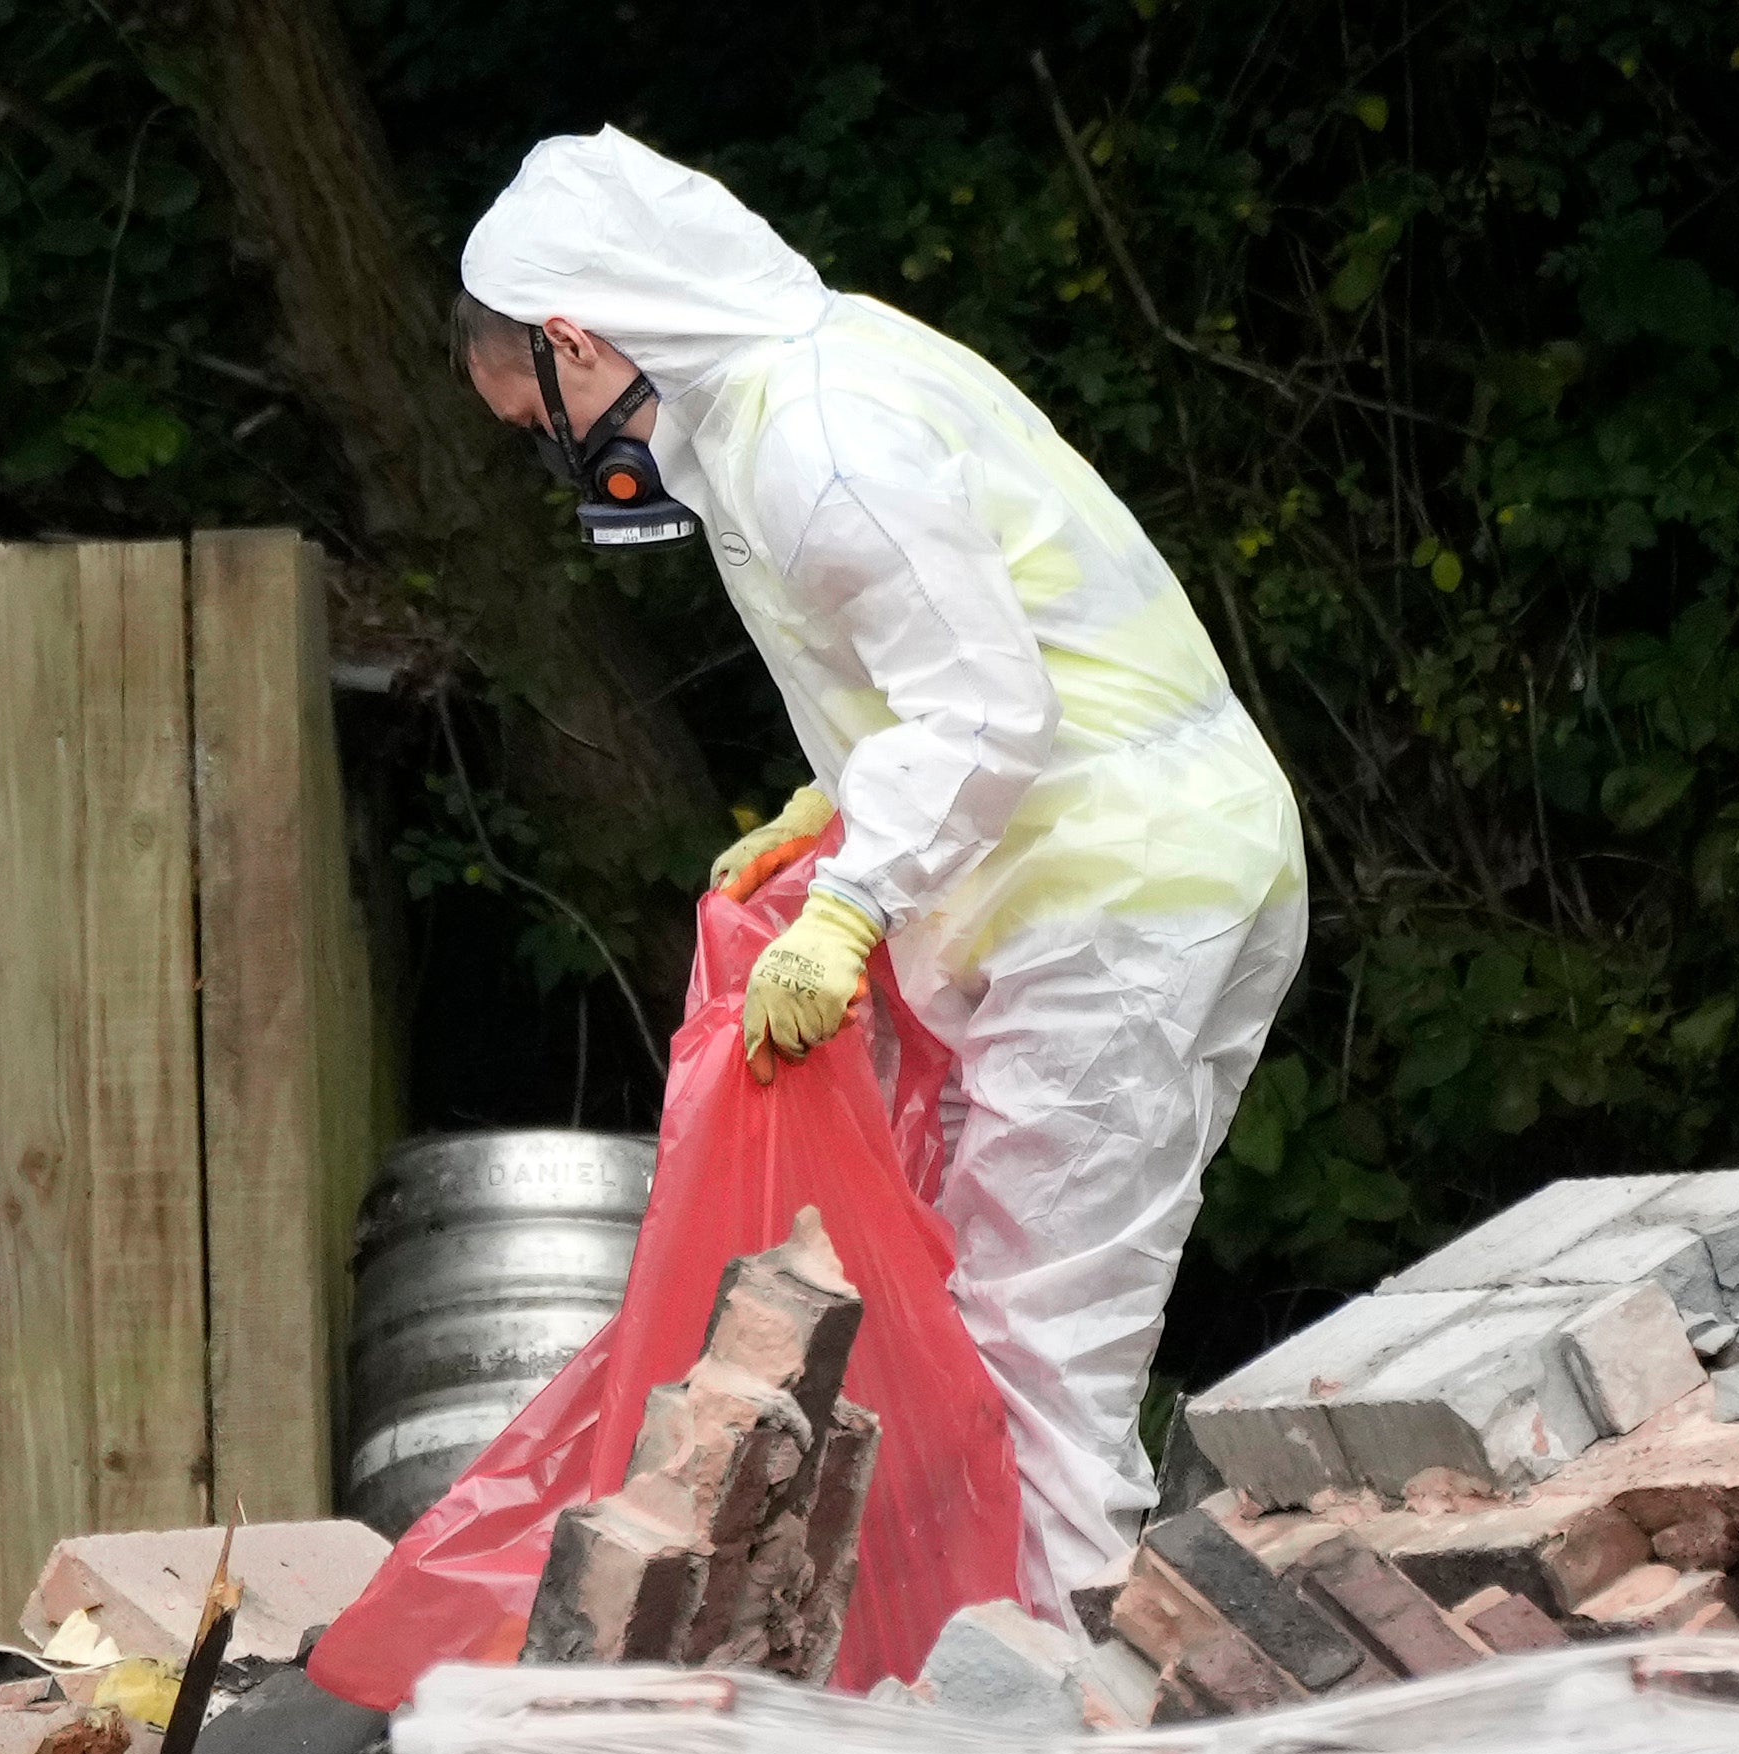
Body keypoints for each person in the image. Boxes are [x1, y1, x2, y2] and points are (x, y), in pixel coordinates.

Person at [457, 126, 1309, 1610]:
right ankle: (1040, 1702)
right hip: (1138, 863)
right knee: (1022, 1332)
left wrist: (855, 895)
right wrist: (844, 791)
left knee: (1034, 1363)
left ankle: (1046, 1747)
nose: (562, 455)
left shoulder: (814, 438)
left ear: (580, 339)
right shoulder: (799, 380)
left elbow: (986, 707)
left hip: (1108, 895)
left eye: (545, 417)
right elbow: (963, 643)